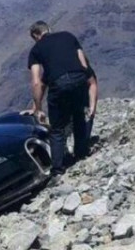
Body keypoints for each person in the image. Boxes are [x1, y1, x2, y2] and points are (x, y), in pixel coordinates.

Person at [26, 21, 93, 175]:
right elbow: (83, 63)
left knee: (57, 128)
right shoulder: (68, 36)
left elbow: (36, 82)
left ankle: (58, 168)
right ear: (48, 29)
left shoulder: (36, 50)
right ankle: (82, 153)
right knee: (78, 116)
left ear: (36, 36)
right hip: (79, 78)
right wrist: (88, 82)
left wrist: (38, 108)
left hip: (59, 84)